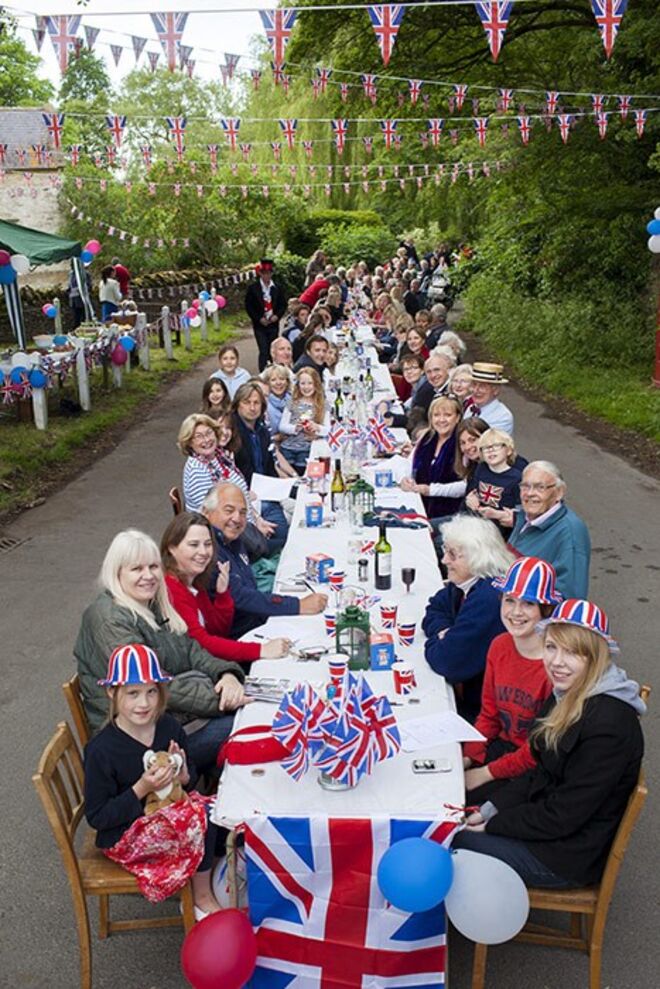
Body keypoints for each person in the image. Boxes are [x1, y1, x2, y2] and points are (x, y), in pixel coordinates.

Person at [454, 600, 645, 889]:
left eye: (572, 652)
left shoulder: (609, 726)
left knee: (447, 838)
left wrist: (492, 825)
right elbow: (538, 768)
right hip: (549, 823)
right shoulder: (568, 692)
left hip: (562, 857)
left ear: (595, 658)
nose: (556, 662)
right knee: (449, 815)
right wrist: (490, 809)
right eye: (551, 647)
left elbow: (563, 816)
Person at [74, 530, 246, 774]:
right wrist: (222, 701)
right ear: (117, 572)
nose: (148, 576)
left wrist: (226, 675)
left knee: (245, 731)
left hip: (168, 720)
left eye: (153, 567)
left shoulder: (151, 604)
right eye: (137, 569)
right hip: (136, 743)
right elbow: (154, 686)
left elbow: (192, 651)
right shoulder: (108, 620)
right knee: (243, 728)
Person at [84, 644, 226, 919]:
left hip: (167, 813)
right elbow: (98, 817)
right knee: (201, 819)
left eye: (151, 691)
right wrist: (142, 788)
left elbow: (188, 780)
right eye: (133, 693)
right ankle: (201, 897)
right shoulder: (100, 751)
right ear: (112, 693)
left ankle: (210, 870)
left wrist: (184, 774)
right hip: (125, 834)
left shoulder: (168, 727)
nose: (144, 703)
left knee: (223, 812)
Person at [462, 557, 560, 802]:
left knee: (458, 804)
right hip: (502, 748)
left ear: (545, 610)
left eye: (528, 603)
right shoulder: (499, 646)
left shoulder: (556, 667)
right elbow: (489, 715)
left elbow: (539, 750)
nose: (516, 612)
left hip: (532, 769)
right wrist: (468, 757)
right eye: (509, 600)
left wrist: (484, 773)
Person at [161, 512, 290, 663]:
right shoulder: (172, 589)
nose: (203, 552)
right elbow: (203, 644)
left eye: (208, 544)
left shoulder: (194, 581)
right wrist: (261, 650)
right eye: (194, 545)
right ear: (172, 548)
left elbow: (218, 631)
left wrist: (222, 595)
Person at [203, 483, 327, 636]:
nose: (237, 518)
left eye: (243, 513)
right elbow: (241, 598)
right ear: (206, 513)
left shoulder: (233, 539)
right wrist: (298, 605)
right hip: (240, 635)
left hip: (255, 620)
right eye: (229, 510)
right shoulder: (206, 550)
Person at [422, 515, 513, 720]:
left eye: (453, 554)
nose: (445, 560)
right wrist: (444, 633)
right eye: (445, 551)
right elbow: (434, 608)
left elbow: (447, 662)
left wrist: (440, 639)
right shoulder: (468, 580)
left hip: (484, 711)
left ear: (477, 557)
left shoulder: (488, 598)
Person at [178, 413, 282, 553]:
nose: (207, 439)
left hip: (246, 521)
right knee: (285, 539)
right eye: (199, 437)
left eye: (209, 433)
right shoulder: (197, 470)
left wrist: (257, 519)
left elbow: (241, 494)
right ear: (189, 442)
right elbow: (212, 519)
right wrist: (251, 530)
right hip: (229, 537)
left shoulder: (219, 457)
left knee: (282, 522)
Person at [508, 461, 591, 599]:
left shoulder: (570, 532)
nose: (530, 493)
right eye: (525, 486)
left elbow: (570, 595)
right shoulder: (526, 517)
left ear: (559, 493)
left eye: (540, 487)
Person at [401, 396, 463, 519]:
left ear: (457, 418)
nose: (441, 420)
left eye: (447, 415)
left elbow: (465, 485)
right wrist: (406, 479)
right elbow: (409, 464)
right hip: (419, 504)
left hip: (449, 513)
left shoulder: (462, 443)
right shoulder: (427, 437)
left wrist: (430, 490)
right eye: (436, 415)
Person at [465, 428, 526, 537]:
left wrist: (497, 514)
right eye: (485, 448)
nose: (490, 450)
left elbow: (521, 512)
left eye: (496, 446)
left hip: (498, 530)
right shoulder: (481, 468)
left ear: (508, 450)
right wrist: (471, 499)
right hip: (474, 519)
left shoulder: (517, 478)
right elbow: (473, 492)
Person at [278, 367, 330, 474]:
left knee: (303, 473)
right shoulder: (292, 402)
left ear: (316, 384)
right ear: (298, 385)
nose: (306, 387)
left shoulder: (322, 405)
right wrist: (294, 428)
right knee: (288, 475)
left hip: (307, 449)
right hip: (288, 447)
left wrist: (317, 427)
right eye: (303, 383)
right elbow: (282, 426)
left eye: (310, 383)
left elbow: (328, 429)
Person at [245, 259, 287, 372]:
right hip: (260, 325)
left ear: (272, 273)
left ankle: (274, 371)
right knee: (263, 350)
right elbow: (249, 306)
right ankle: (263, 373)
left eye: (269, 273)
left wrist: (277, 316)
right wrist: (259, 318)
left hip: (273, 324)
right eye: (264, 273)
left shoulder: (277, 288)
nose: (267, 276)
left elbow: (283, 304)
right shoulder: (253, 288)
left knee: (273, 349)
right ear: (260, 273)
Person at [464, 363, 514, 435]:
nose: (475, 390)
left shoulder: (503, 416)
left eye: (482, 386)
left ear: (496, 390)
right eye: (474, 384)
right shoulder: (470, 409)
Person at [261, 363, 293, 436]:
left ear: (287, 382)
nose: (278, 383)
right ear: (267, 383)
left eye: (282, 379)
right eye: (273, 380)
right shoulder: (264, 403)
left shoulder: (294, 400)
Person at [68, 262, 93, 328]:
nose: (72, 267)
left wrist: (81, 290)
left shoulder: (85, 273)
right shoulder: (71, 274)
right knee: (76, 317)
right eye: (71, 265)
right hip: (73, 299)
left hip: (82, 299)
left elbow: (89, 286)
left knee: (83, 317)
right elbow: (70, 285)